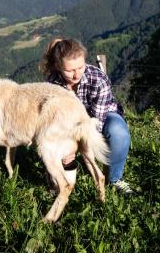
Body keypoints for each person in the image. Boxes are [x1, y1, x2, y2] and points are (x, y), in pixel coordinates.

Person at [40, 37, 133, 194]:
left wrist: (76, 143)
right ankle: (58, 181)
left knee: (118, 133)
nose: (77, 75)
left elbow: (97, 122)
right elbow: (55, 117)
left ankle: (114, 178)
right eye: (70, 70)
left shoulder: (98, 79)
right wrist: (65, 145)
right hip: (69, 122)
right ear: (57, 66)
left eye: (81, 67)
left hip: (101, 117)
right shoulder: (52, 82)